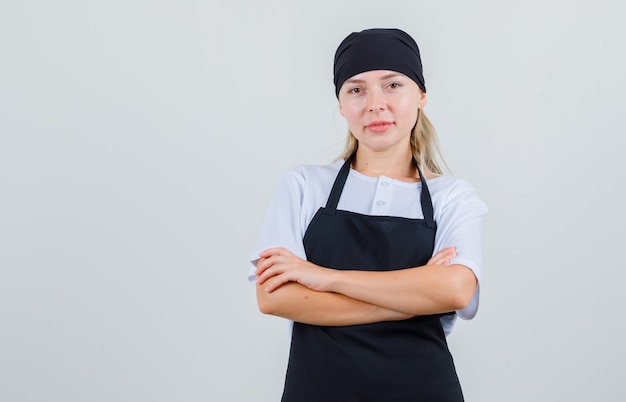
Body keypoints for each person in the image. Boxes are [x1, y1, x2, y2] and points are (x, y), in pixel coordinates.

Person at [249, 28, 488, 402]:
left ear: (421, 96)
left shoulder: (452, 196)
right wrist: (409, 304)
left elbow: (456, 289)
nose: (375, 104)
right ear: (342, 105)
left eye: (393, 85)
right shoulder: (302, 185)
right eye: (356, 89)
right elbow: (274, 298)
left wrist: (322, 277)